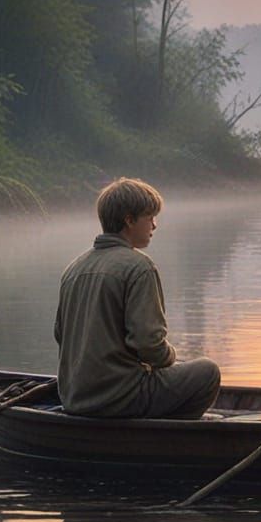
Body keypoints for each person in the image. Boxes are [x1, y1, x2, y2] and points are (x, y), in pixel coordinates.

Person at [54, 177, 220, 418]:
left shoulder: (73, 269)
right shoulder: (139, 267)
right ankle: (175, 430)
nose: (155, 225)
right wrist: (172, 358)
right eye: (150, 218)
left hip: (74, 398)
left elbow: (60, 334)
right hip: (120, 398)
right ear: (129, 220)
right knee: (207, 371)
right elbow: (148, 345)